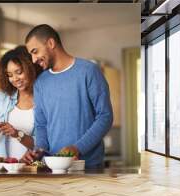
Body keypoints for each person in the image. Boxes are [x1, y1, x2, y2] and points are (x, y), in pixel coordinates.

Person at [22, 24, 113, 169]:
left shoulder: (89, 71)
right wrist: (38, 151)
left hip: (88, 166)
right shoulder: (40, 83)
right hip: (52, 167)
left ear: (51, 43)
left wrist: (77, 148)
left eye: (35, 51)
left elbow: (105, 116)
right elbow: (41, 125)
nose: (33, 60)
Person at [0, 46, 42, 160]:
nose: (15, 79)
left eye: (19, 72)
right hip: (0, 169)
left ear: (32, 68)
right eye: (10, 75)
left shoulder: (45, 101)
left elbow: (43, 145)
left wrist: (17, 134)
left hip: (29, 169)